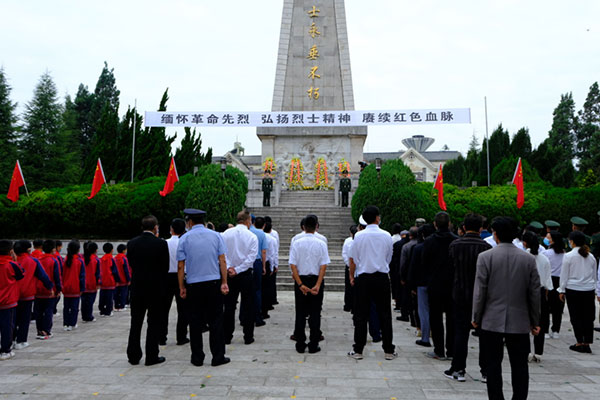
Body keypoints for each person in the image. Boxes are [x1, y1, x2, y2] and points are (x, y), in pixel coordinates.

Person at [472, 216, 541, 400]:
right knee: (520, 366)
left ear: (495, 235)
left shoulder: (485, 257)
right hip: (520, 320)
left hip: (491, 320)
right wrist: (535, 321)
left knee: (493, 365)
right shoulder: (528, 259)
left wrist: (476, 318)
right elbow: (534, 293)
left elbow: (480, 292)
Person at [177, 209, 230, 367]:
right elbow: (222, 261)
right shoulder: (216, 236)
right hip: (213, 282)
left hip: (194, 284)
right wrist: (224, 282)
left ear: (190, 222)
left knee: (195, 321)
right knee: (216, 320)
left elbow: (181, 266)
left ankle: (197, 357)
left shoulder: (184, 238)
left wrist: (181, 286)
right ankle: (218, 356)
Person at [444, 214, 491, 382]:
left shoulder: (455, 246)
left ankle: (458, 369)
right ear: (480, 228)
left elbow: (449, 272)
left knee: (460, 333)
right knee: (484, 334)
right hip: (481, 297)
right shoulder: (486, 247)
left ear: (464, 227)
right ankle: (485, 371)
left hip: (459, 294)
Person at [347, 206, 396, 361]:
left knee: (361, 315)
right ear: (377, 218)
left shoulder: (359, 236)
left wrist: (352, 276)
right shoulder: (386, 235)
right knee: (385, 315)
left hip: (364, 278)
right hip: (381, 277)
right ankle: (388, 350)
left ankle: (358, 350)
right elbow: (389, 257)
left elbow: (354, 258)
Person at [127, 215, 169, 366]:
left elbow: (131, 263)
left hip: (137, 287)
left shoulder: (132, 243)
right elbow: (165, 267)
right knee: (153, 322)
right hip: (155, 289)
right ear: (155, 227)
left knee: (136, 322)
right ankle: (151, 355)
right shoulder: (161, 244)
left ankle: (133, 354)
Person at [290, 215, 330, 354]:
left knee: (300, 312)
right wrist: (318, 284)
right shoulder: (321, 243)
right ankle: (313, 343)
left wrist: (300, 284)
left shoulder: (296, 242)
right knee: (315, 312)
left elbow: (293, 265)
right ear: (316, 226)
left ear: (304, 227)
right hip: (315, 279)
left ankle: (300, 343)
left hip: (301, 280)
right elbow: (323, 266)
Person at [423, 212, 458, 360]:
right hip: (452, 285)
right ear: (449, 223)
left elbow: (424, 262)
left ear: (435, 224)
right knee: (452, 319)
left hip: (435, 284)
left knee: (435, 317)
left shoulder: (429, 241)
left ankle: (439, 349)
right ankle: (451, 350)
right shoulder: (456, 241)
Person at [558, 231, 598, 353]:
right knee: (588, 316)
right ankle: (587, 342)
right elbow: (594, 275)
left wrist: (561, 290)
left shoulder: (569, 256)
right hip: (588, 289)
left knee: (576, 316)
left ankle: (579, 341)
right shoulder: (590, 256)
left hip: (573, 289)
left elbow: (564, 275)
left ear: (573, 241)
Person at [222, 211, 258, 345]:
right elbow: (251, 259)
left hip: (230, 274)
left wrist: (230, 268)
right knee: (248, 305)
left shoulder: (225, 234)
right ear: (248, 220)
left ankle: (227, 336)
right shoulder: (252, 236)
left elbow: (222, 254)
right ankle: (248, 336)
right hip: (245, 274)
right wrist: (238, 269)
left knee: (229, 306)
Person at [13, 240, 52, 349]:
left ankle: (11, 339)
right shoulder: (33, 261)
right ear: (28, 249)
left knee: (13, 319)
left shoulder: (11, 261)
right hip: (27, 294)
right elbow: (43, 276)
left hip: (12, 295)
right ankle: (21, 341)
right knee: (25, 318)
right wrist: (49, 287)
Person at [522, 231, 552, 363]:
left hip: (524, 291)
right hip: (540, 292)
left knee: (524, 322)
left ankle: (527, 351)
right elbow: (547, 282)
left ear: (525, 243)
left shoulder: (523, 256)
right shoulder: (544, 259)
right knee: (539, 322)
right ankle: (538, 352)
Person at [407, 223, 436, 347]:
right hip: (437, 283)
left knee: (423, 311)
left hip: (422, 283)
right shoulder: (439, 245)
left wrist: (412, 285)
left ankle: (425, 337)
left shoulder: (418, 248)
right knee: (435, 311)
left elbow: (413, 268)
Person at [163, 218, 189, 346]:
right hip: (182, 276)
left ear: (171, 229)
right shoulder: (185, 243)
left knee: (164, 309)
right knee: (183, 309)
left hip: (166, 277)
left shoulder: (164, 243)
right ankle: (181, 336)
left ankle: (162, 336)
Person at [0, 240, 24, 360]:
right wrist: (14, 260)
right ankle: (5, 350)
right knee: (7, 326)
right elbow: (21, 274)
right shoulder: (11, 265)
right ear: (11, 251)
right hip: (7, 301)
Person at [34, 240, 62, 340]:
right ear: (53, 249)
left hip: (38, 289)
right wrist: (58, 289)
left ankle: (39, 330)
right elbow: (56, 276)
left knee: (39, 311)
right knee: (48, 310)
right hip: (50, 290)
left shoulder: (38, 260)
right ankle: (46, 330)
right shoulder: (54, 261)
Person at [62, 241, 85, 331]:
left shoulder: (65, 260)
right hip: (76, 287)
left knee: (66, 307)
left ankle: (66, 323)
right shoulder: (79, 261)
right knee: (74, 307)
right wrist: (82, 288)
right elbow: (82, 276)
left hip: (66, 287)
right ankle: (72, 323)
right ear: (78, 250)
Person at [250, 216, 268, 327]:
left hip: (243, 264)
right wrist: (264, 266)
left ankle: (244, 317)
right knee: (257, 291)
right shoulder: (261, 234)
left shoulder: (246, 232)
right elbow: (264, 251)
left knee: (245, 292)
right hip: (256, 262)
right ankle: (257, 317)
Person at [397, 227, 418, 324]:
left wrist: (402, 276)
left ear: (410, 235)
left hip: (408, 275)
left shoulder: (406, 246)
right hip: (419, 276)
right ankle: (415, 319)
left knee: (406, 295)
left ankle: (405, 314)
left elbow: (403, 263)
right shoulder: (422, 245)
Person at [98, 243, 120, 317]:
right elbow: (115, 271)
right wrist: (117, 280)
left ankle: (102, 310)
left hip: (102, 280)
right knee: (109, 297)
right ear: (112, 250)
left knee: (102, 296)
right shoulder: (111, 259)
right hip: (110, 280)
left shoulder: (101, 259)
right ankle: (108, 310)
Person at [81, 242, 101, 323]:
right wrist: (98, 283)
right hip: (92, 283)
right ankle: (89, 316)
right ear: (96, 250)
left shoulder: (82, 259)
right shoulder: (96, 260)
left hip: (83, 283)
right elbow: (98, 273)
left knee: (84, 301)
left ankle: (84, 315)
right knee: (90, 301)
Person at [262, 221, 278, 319]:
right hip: (266, 264)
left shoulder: (257, 236)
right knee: (266, 288)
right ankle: (265, 308)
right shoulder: (272, 238)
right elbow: (273, 254)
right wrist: (274, 266)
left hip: (259, 263)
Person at [264, 216, 280, 307]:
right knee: (271, 282)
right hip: (271, 261)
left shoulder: (260, 235)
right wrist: (275, 264)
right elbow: (275, 250)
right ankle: (272, 299)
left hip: (264, 261)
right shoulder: (274, 234)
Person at [342, 225, 358, 312]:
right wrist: (349, 264)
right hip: (350, 265)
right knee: (348, 286)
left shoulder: (358, 241)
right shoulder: (348, 241)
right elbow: (344, 254)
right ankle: (348, 304)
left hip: (357, 267)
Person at [114, 244, 131, 312]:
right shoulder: (124, 258)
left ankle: (116, 305)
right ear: (124, 250)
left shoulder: (115, 258)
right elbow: (126, 270)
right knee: (124, 293)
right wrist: (129, 279)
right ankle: (122, 305)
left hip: (117, 279)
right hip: (123, 279)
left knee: (116, 293)